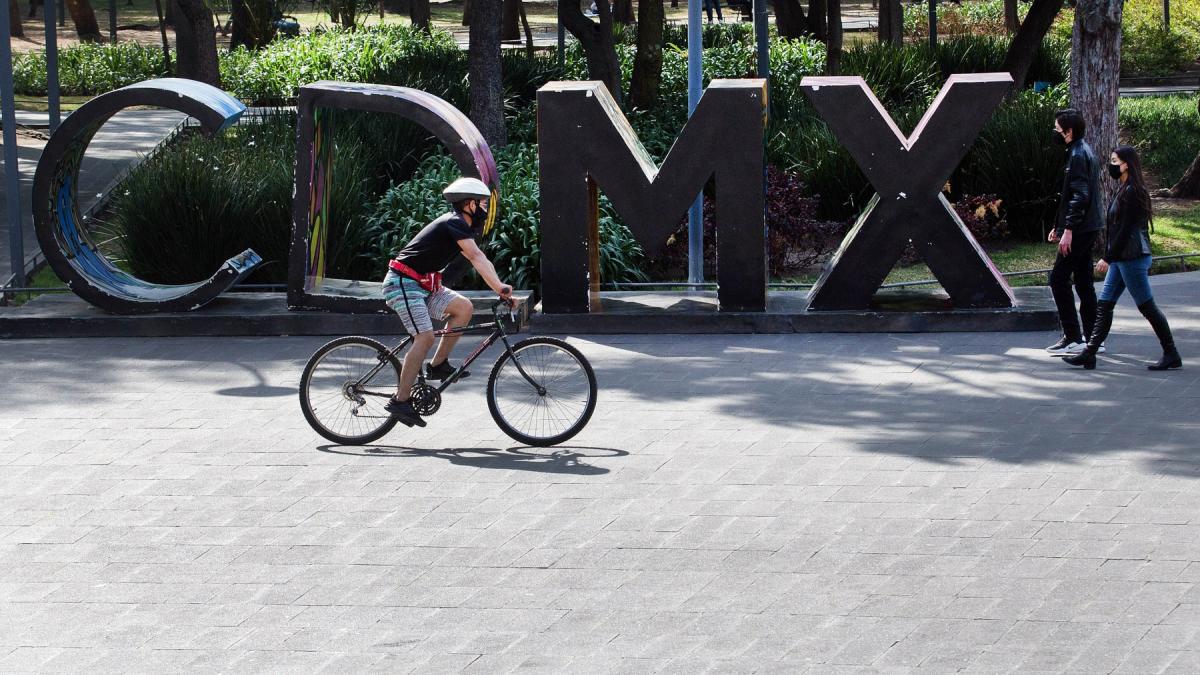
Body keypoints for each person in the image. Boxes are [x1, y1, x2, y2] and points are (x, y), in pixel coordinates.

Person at [380, 177, 514, 427]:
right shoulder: (454, 222)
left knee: (463, 308)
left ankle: (438, 365)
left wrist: (500, 287)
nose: (485, 209)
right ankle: (400, 401)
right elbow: (476, 256)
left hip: (424, 284)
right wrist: (500, 288)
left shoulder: (459, 225)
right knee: (425, 336)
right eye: (482, 203)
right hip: (402, 283)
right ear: (469, 204)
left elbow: (479, 256)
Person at [1064, 146, 1183, 371]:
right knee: (1105, 304)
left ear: (1127, 163)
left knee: (1147, 307)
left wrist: (1108, 258)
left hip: (1131, 259)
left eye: (1115, 160)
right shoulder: (1125, 188)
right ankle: (1090, 353)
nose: (1112, 164)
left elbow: (1127, 230)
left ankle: (1171, 353)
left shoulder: (1133, 191)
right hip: (1122, 259)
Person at [1045, 109, 1105, 357]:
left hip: (1080, 229)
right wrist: (1060, 227)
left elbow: (1080, 196)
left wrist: (1068, 230)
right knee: (1082, 281)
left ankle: (1073, 337)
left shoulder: (1078, 155)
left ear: (1069, 132)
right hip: (1088, 226)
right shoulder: (1082, 151)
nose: (1056, 133)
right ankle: (1093, 338)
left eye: (1058, 130)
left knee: (1058, 279)